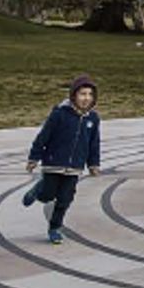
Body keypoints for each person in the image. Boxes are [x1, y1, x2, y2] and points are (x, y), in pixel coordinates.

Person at [22, 74, 101, 245]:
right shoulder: (59, 114)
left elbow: (94, 143)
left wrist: (93, 163)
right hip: (53, 163)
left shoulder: (93, 119)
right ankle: (38, 190)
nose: (86, 98)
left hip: (75, 167)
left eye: (89, 94)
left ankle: (55, 228)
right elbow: (43, 136)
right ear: (73, 95)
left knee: (66, 198)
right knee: (47, 195)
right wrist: (34, 157)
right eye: (82, 94)